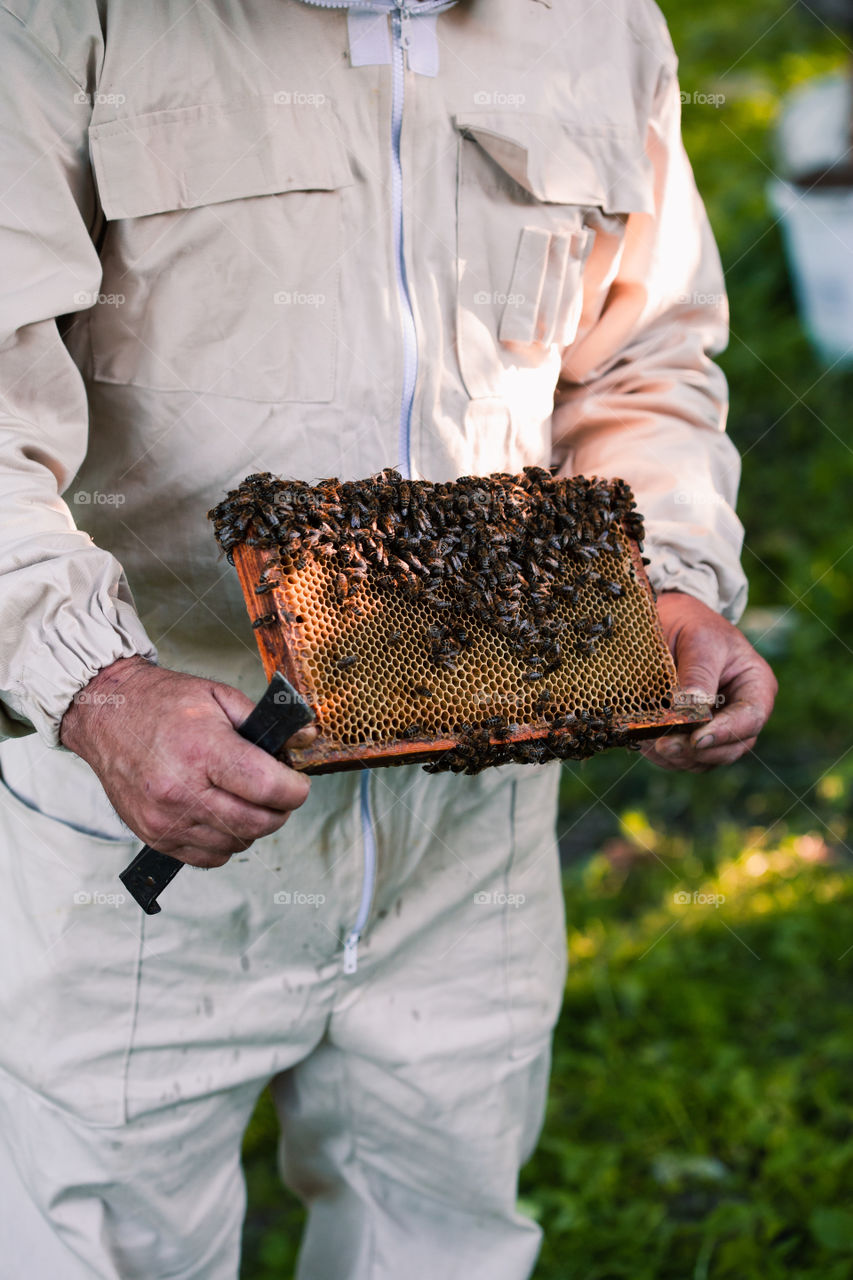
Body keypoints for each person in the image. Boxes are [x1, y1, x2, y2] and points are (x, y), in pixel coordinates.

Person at [0, 1, 777, 1276]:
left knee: (441, 1239)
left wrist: (675, 582)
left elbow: (641, 363)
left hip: (474, 828)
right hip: (147, 808)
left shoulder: (600, 24)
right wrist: (93, 684)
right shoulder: (68, 20)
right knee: (99, 1248)